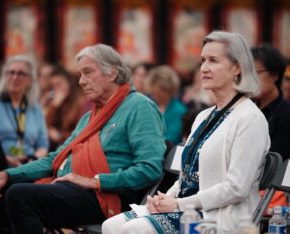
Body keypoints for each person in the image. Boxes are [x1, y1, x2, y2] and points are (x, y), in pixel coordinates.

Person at [0, 44, 166, 234]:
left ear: (112, 74)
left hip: (106, 197)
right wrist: (8, 174)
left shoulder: (139, 107)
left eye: (88, 73)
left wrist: (95, 181)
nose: (82, 82)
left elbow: (149, 169)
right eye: (79, 75)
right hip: (72, 187)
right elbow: (55, 159)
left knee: (20, 196)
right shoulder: (89, 117)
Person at [102, 31, 270, 234]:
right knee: (110, 225)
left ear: (237, 68)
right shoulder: (203, 116)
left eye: (213, 60)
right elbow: (186, 177)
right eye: (202, 60)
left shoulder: (250, 118)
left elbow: (237, 188)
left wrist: (178, 204)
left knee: (136, 228)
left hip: (223, 218)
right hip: (188, 208)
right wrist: (164, 198)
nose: (204, 68)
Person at [0, 55, 49, 176]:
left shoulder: (34, 107)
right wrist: (8, 159)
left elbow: (43, 144)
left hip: (27, 162)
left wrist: (33, 160)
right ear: (4, 76)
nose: (15, 77)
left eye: (21, 73)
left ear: (30, 80)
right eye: (11, 72)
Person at [251, 44, 290, 222]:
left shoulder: (286, 115)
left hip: (269, 195)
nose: (250, 79)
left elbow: (274, 163)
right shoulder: (246, 110)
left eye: (256, 72)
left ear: (275, 75)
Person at [45, 65, 90, 151]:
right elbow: (45, 126)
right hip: (61, 146)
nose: (57, 89)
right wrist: (54, 105)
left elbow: (82, 131)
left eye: (59, 84)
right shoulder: (59, 101)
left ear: (68, 82)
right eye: (53, 86)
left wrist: (60, 137)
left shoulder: (80, 101)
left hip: (75, 147)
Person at [146, 65, 187, 145]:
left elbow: (171, 138)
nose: (157, 94)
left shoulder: (179, 110)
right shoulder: (147, 105)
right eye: (154, 93)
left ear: (170, 90)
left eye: (162, 91)